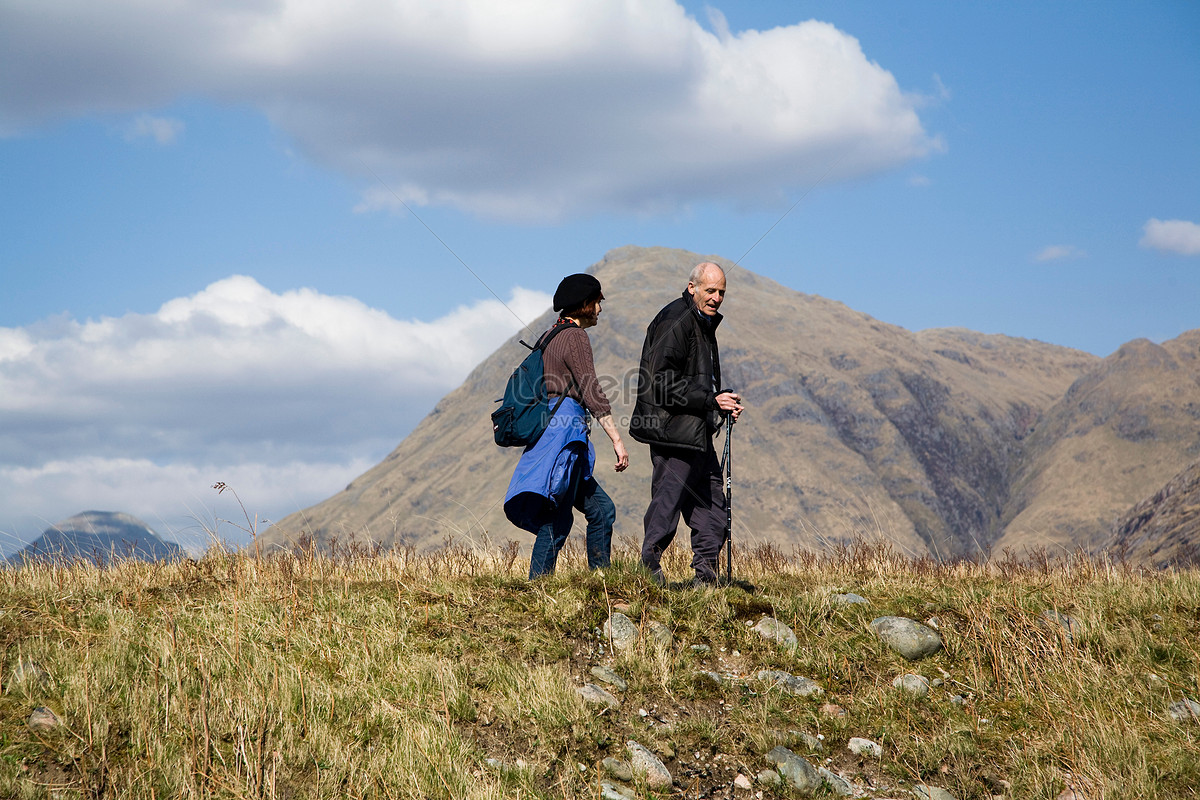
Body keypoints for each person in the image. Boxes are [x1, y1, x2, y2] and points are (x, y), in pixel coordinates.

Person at [503, 273, 630, 578]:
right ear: (585, 304)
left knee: (601, 511)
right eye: (598, 302)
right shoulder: (574, 336)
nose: (600, 309)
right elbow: (590, 387)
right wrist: (616, 438)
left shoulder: (551, 335)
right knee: (557, 518)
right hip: (566, 437)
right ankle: (538, 588)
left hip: (555, 433)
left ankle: (601, 580)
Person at [629, 262, 744, 586]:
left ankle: (706, 581)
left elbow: (695, 383)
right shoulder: (676, 320)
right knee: (667, 504)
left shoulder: (702, 323)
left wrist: (720, 402)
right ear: (692, 287)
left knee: (711, 508)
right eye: (711, 290)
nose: (717, 297)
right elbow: (661, 382)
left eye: (722, 292)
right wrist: (709, 401)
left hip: (697, 433)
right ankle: (647, 573)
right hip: (673, 433)